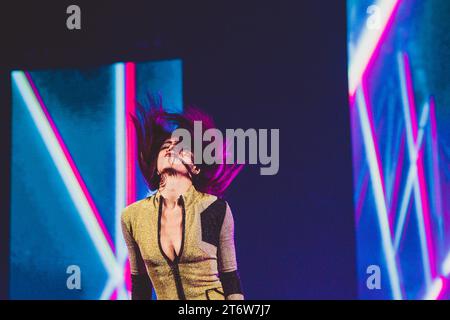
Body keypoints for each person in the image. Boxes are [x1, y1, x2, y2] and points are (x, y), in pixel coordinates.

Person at [121, 96, 244, 300]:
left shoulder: (212, 208)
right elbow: (140, 285)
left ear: (195, 167)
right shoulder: (133, 216)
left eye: (181, 146)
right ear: (155, 167)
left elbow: (230, 278)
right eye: (165, 147)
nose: (171, 149)